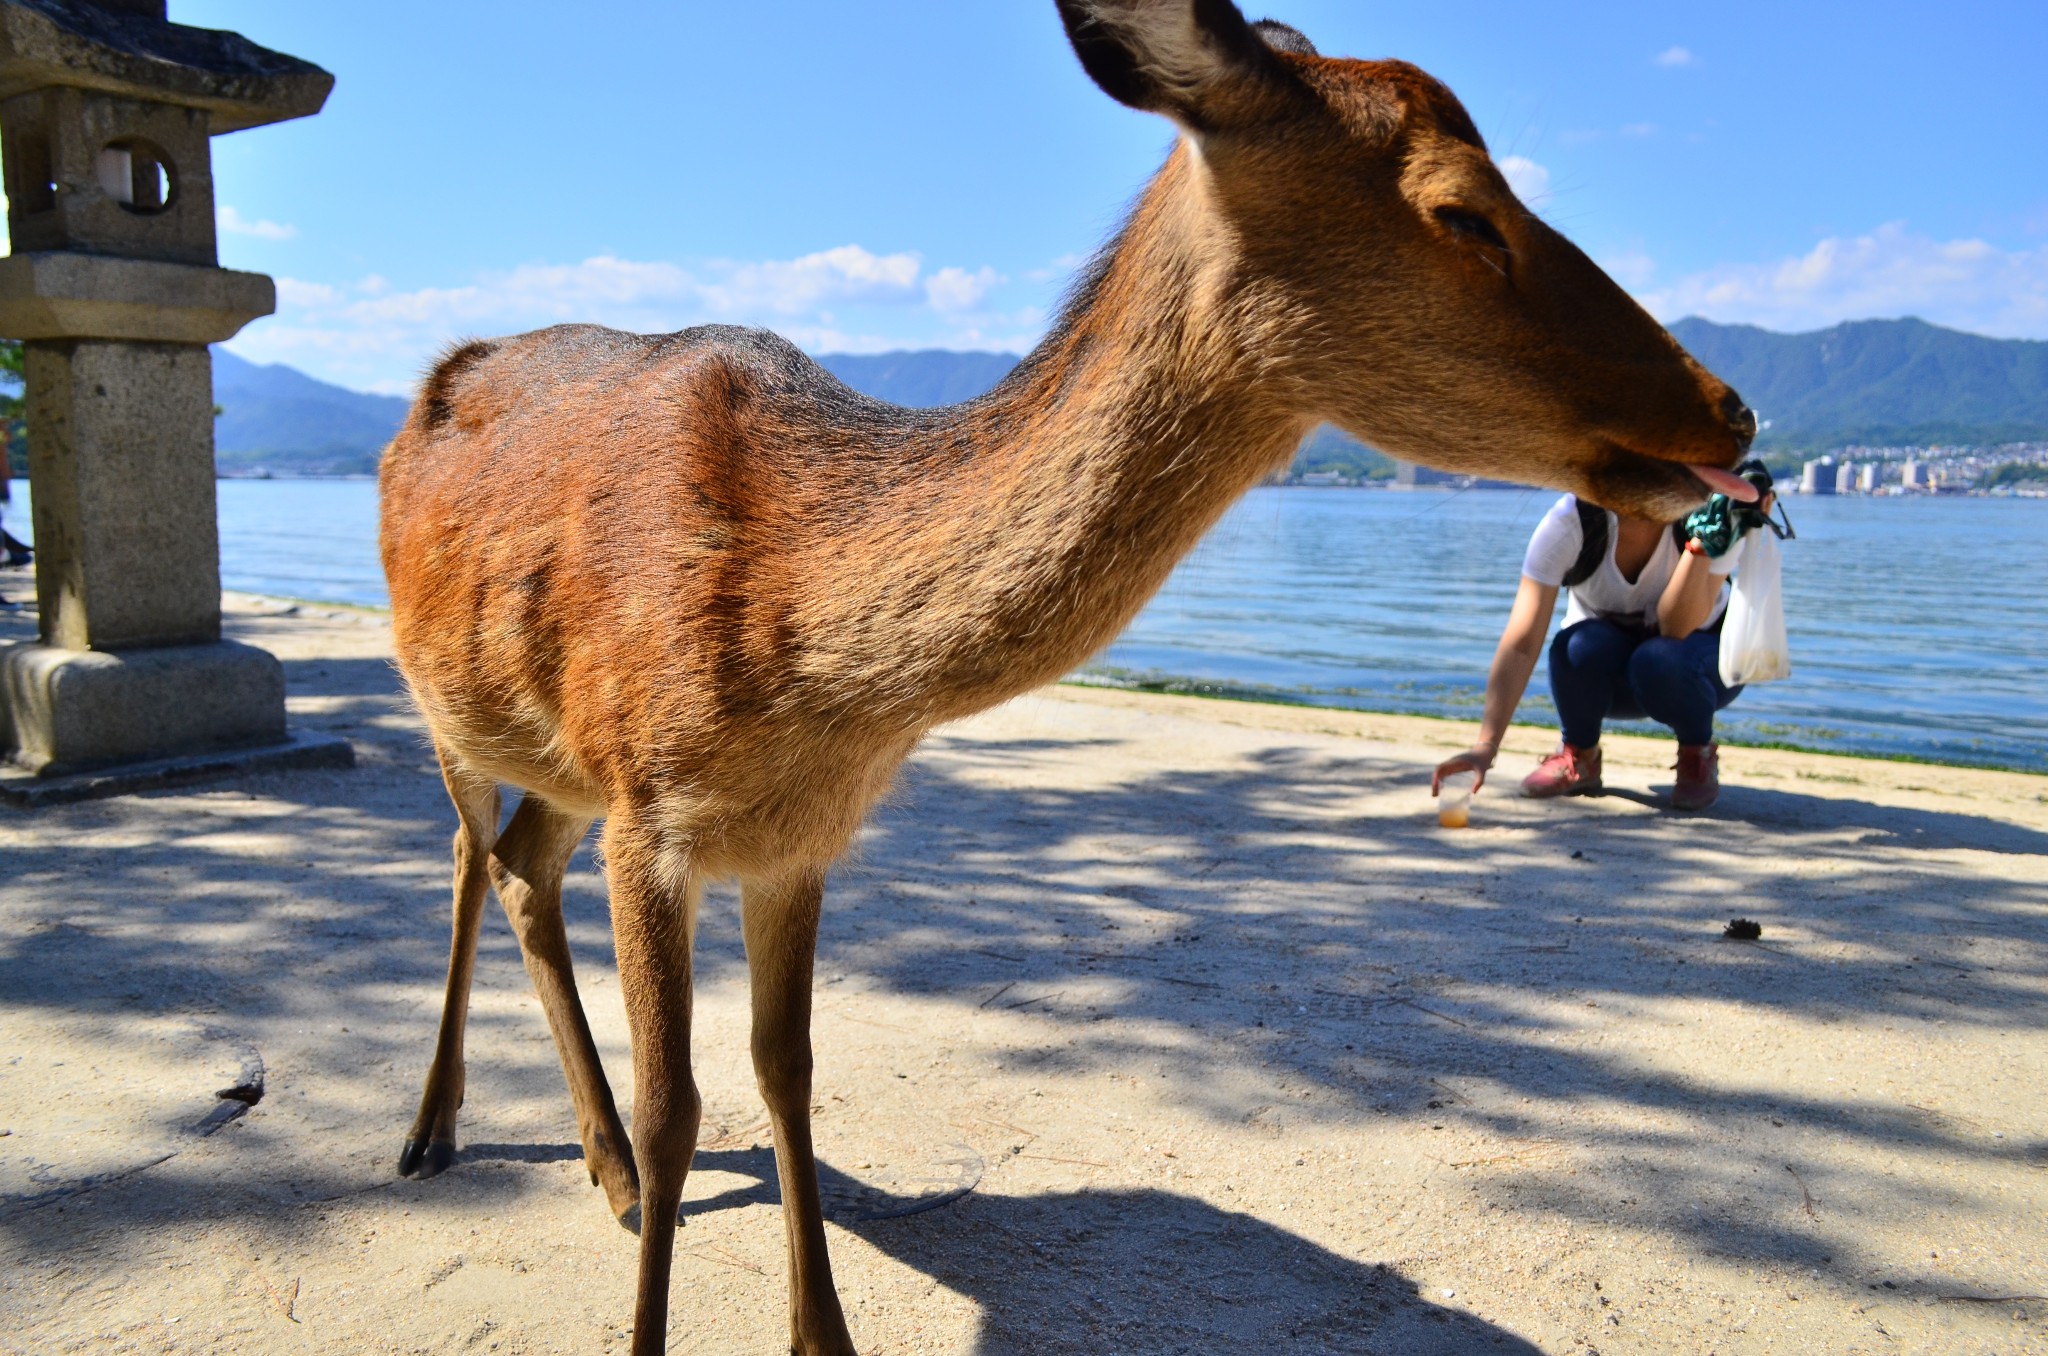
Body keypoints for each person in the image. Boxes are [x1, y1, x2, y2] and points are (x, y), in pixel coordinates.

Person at [1431, 484, 1772, 812]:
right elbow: (1522, 643)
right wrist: (1485, 749)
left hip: (1701, 670)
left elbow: (1676, 628)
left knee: (1658, 658)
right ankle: (1580, 754)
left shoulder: (1711, 515)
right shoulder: (1571, 520)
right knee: (1574, 646)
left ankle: (1696, 754)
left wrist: (1699, 543)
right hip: (1613, 676)